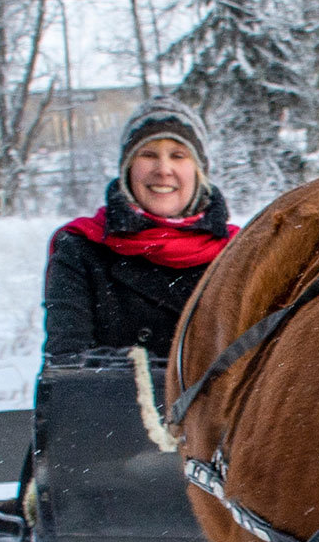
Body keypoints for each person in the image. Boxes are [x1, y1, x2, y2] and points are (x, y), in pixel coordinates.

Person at [43, 97, 238, 358]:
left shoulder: (238, 252)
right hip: (116, 399)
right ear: (128, 168)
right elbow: (68, 367)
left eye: (178, 155)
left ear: (198, 171)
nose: (163, 169)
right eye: (148, 154)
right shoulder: (81, 248)